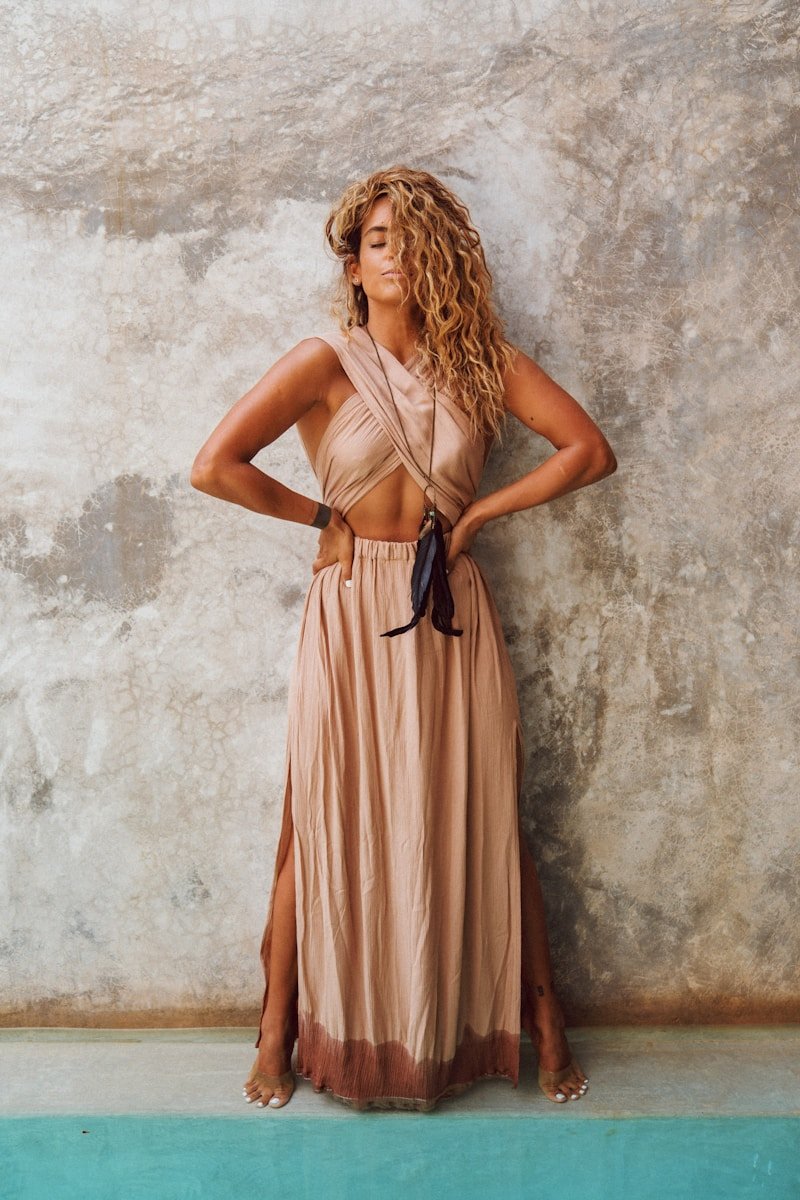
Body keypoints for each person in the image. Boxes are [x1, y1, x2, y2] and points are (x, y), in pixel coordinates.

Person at [190, 165, 616, 1113]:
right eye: (380, 241)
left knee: (481, 813)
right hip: (348, 609)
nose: (397, 257)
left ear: (440, 260)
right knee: (322, 817)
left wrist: (478, 518)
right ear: (352, 262)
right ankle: (278, 1030)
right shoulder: (322, 362)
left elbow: (589, 451)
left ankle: (543, 1023)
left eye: (413, 242)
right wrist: (318, 520)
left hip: (448, 610)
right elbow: (213, 467)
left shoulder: (481, 363)